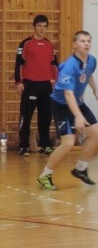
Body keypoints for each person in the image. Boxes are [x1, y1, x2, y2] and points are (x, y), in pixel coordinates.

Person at [36, 31, 98, 191]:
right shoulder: (69, 66)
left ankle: (81, 169)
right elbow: (68, 94)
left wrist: (95, 89)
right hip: (61, 105)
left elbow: (88, 74)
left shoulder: (92, 60)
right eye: (82, 41)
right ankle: (45, 175)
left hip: (77, 102)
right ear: (74, 45)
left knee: (96, 134)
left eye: (88, 41)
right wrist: (78, 116)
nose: (86, 44)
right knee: (68, 143)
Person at [14, 14, 59, 156]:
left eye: (44, 26)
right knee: (26, 117)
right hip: (30, 85)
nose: (42, 29)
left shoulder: (49, 45)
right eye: (39, 26)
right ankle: (23, 146)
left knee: (45, 118)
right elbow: (18, 64)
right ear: (34, 27)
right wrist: (18, 82)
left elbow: (54, 65)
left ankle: (45, 145)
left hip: (46, 86)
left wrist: (57, 82)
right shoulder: (25, 43)